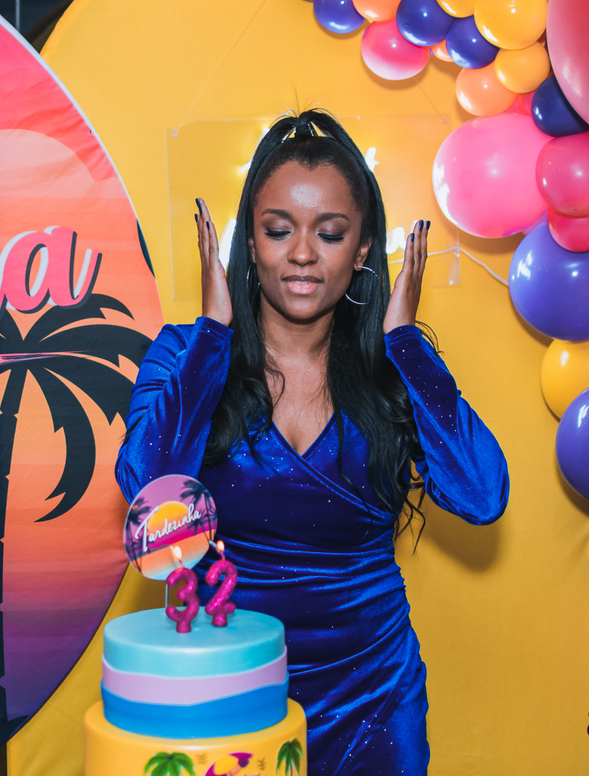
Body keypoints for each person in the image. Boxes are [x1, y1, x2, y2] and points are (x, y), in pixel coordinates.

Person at [114, 108, 510, 775]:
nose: (301, 253)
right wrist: (214, 334)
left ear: (361, 250)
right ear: (250, 245)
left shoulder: (394, 372)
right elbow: (150, 501)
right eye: (277, 230)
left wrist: (408, 346)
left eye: (329, 234)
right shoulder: (186, 354)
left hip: (372, 698)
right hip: (227, 694)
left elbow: (481, 494)